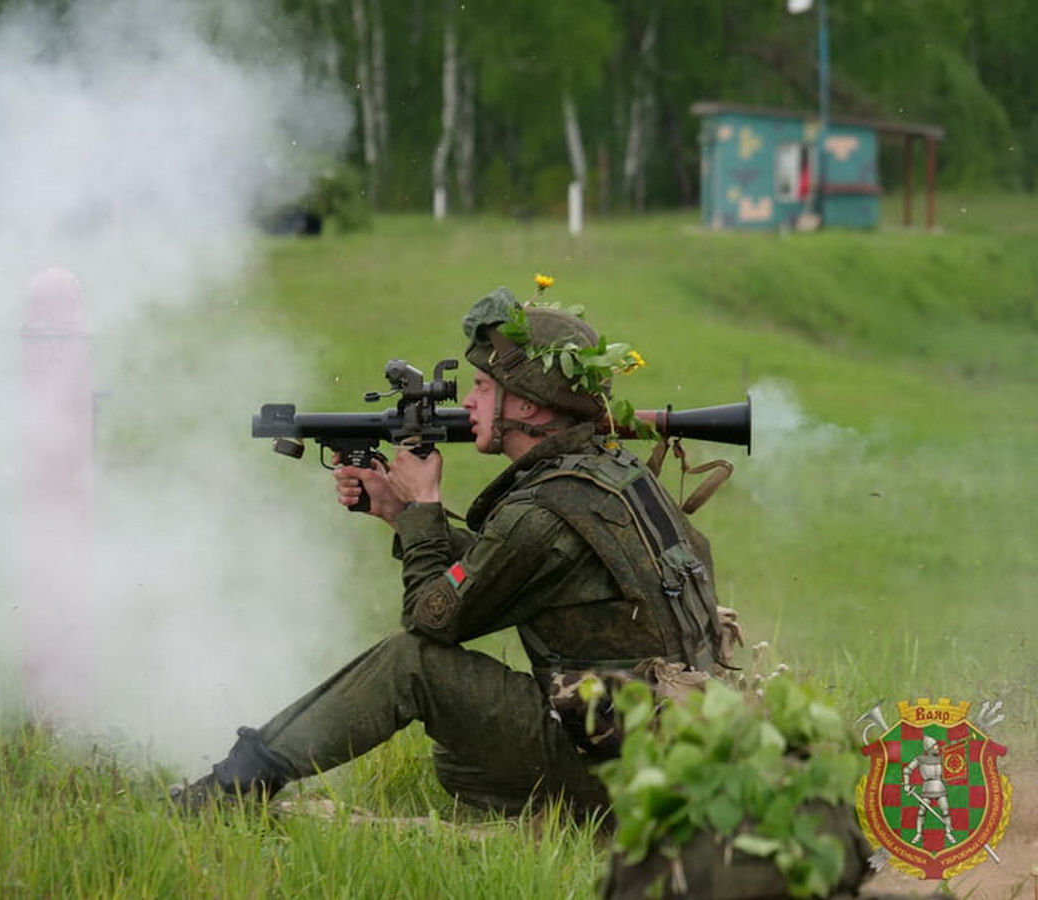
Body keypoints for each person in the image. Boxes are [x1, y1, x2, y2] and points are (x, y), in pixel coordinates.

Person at [171, 284, 735, 817]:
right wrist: (400, 513)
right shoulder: (609, 472)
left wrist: (425, 505)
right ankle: (571, 815)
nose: (468, 400)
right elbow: (504, 569)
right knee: (459, 760)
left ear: (531, 407)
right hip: (668, 743)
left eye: (484, 387)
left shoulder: (544, 510)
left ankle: (232, 788)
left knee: (410, 665)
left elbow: (431, 621)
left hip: (622, 761)